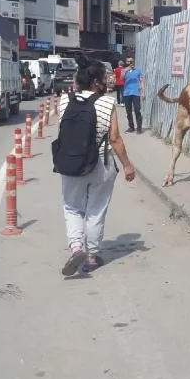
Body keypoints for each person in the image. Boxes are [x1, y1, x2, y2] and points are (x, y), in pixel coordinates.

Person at [55, 54, 135, 276]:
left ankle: (76, 248)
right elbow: (116, 139)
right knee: (95, 210)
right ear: (95, 81)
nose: (108, 81)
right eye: (104, 78)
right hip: (101, 163)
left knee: (72, 207)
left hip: (71, 162)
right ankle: (91, 257)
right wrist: (128, 165)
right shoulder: (108, 102)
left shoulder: (64, 100)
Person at [123, 57, 144, 134]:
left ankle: (139, 128)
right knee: (128, 111)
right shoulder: (124, 70)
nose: (130, 63)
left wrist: (143, 92)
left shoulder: (138, 70)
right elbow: (121, 78)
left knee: (137, 110)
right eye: (128, 61)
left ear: (133, 62)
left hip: (136, 93)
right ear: (126, 62)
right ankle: (131, 127)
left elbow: (141, 81)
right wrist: (126, 70)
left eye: (131, 61)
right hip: (126, 93)